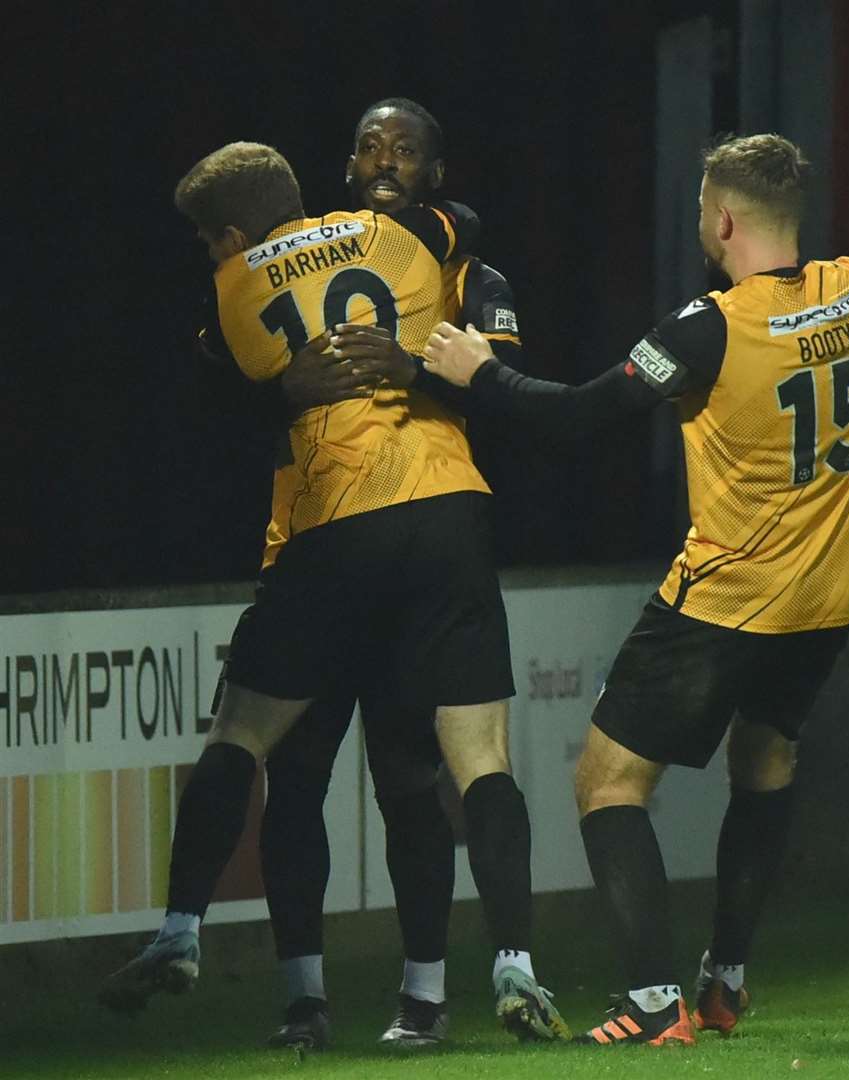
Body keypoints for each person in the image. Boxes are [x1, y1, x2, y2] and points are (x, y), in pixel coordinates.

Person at [409, 133, 849, 1046]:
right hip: (826, 605)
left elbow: (576, 418)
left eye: (701, 207)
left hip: (724, 600)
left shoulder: (709, 327)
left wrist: (479, 374)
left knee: (607, 784)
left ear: (722, 218)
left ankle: (655, 1003)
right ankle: (725, 981)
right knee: (765, 762)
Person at [98, 142, 567, 1048]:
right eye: (370, 147)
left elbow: (204, 400)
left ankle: (183, 931)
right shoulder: (408, 238)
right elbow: (464, 236)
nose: (384, 163)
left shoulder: (233, 288)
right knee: (467, 764)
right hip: (446, 520)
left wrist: (280, 388)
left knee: (259, 745)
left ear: (230, 234)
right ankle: (511, 967)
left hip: (328, 534)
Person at [240, 98, 559, 1051]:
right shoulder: (295, 263)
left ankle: (423, 999)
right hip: (311, 542)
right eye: (371, 147)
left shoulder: (471, 272)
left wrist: (414, 368)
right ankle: (304, 1001)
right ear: (346, 167)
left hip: (418, 544)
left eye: (407, 150)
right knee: (296, 779)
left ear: (436, 172)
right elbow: (232, 377)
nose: (387, 160)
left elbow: (501, 388)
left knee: (407, 780)